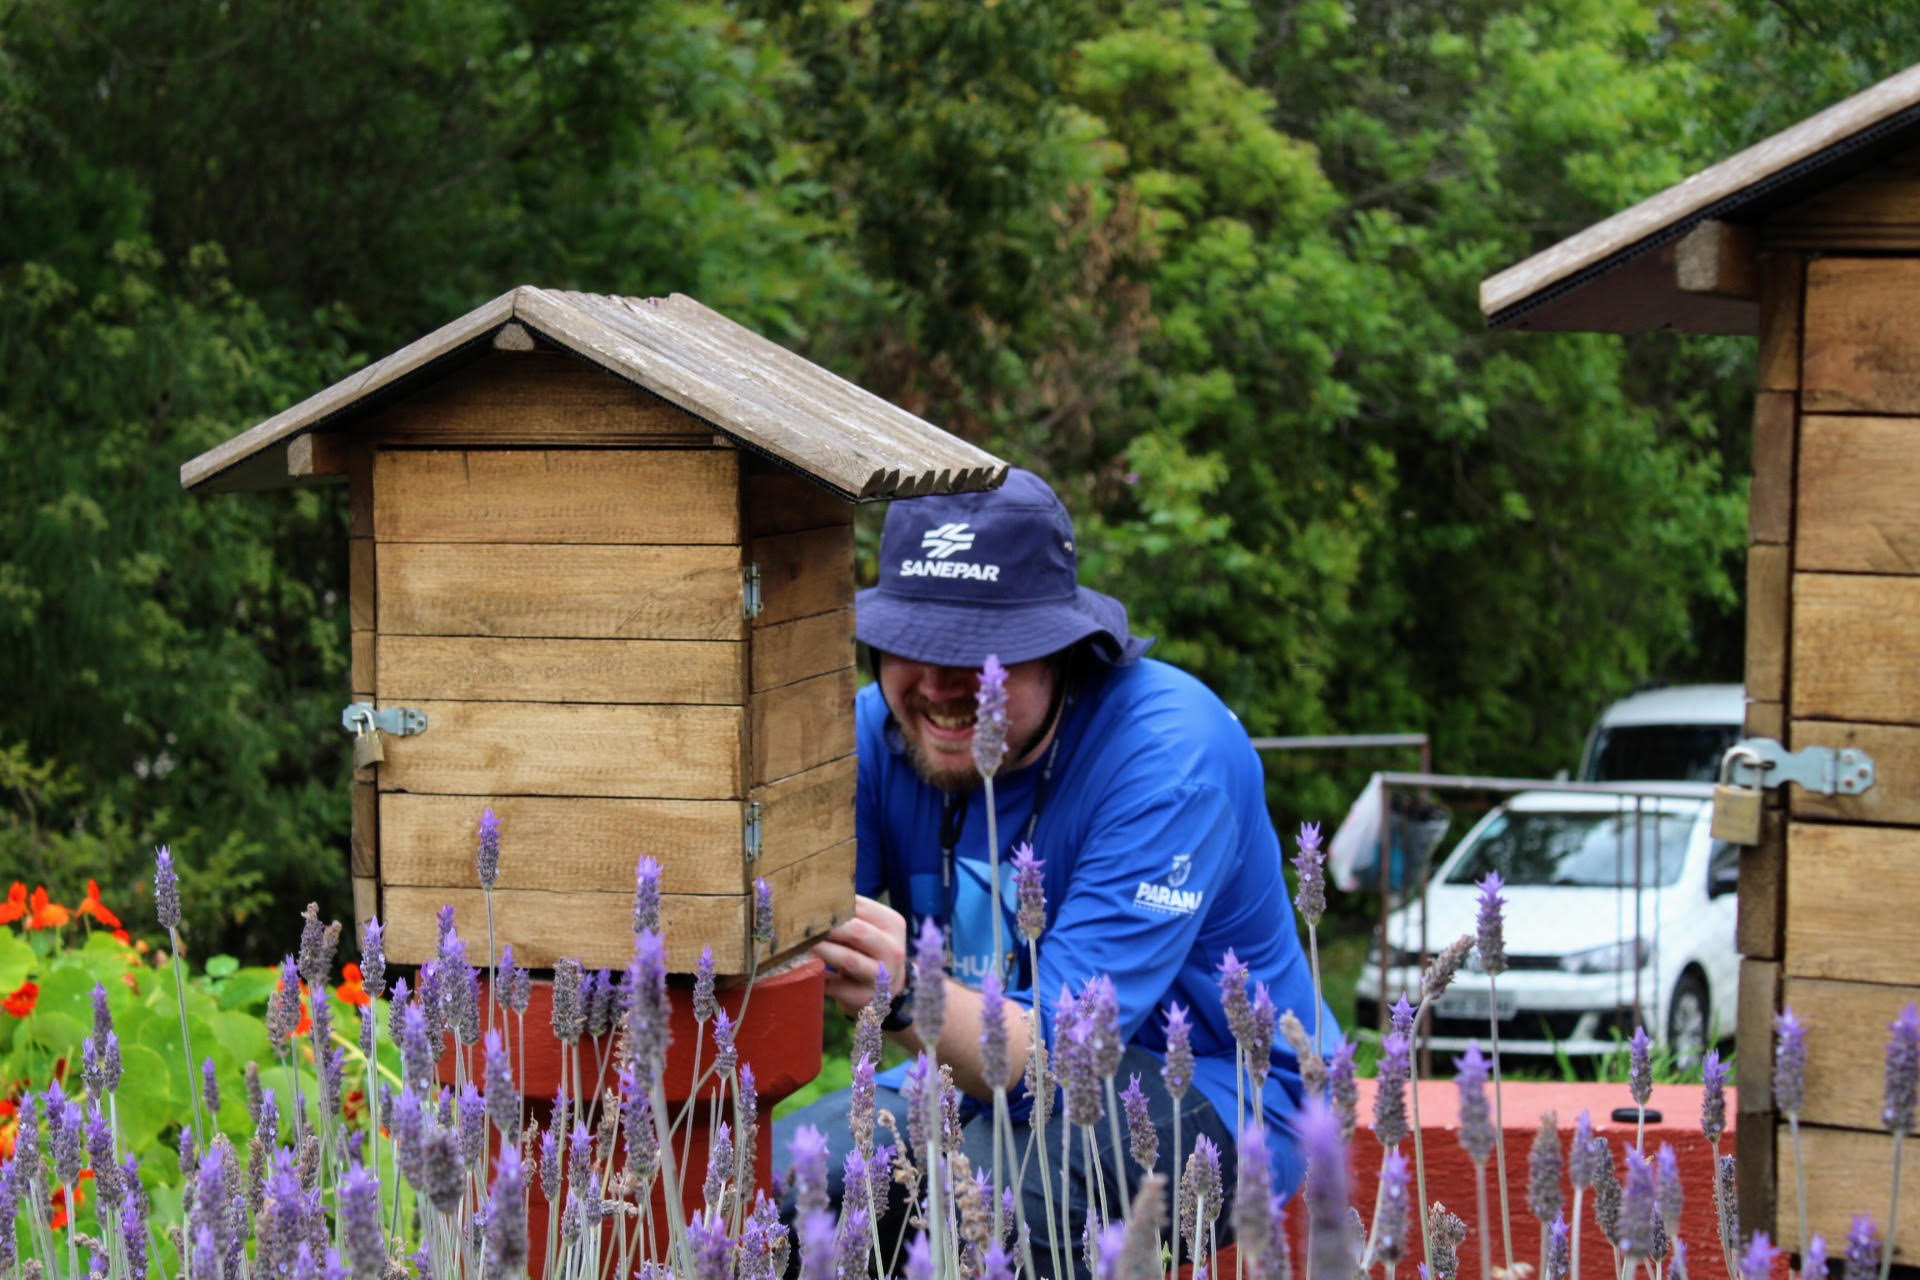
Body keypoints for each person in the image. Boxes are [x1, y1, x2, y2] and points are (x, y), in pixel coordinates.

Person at [774, 468, 1337, 1273]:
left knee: (993, 1218)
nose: (937, 684)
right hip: (969, 1078)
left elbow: (1060, 1058)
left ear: (1064, 645)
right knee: (785, 1195)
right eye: (910, 642)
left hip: (1205, 1089)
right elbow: (785, 934)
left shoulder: (1172, 756)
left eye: (978, 652)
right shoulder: (870, 731)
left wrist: (905, 992)